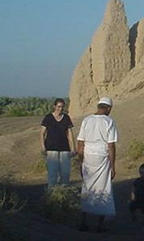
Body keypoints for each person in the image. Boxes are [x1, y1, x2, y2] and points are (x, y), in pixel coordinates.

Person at [77, 97, 118, 232]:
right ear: (108, 108)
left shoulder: (86, 120)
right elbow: (111, 145)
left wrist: (80, 161)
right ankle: (99, 225)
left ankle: (83, 222)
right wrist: (112, 166)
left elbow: (81, 143)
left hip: (88, 157)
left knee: (87, 187)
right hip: (102, 157)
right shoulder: (109, 121)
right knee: (103, 188)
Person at [40, 98, 75, 188]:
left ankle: (65, 193)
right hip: (51, 149)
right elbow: (42, 133)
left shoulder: (66, 118)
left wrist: (73, 148)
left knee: (65, 173)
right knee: (52, 173)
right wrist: (43, 147)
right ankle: (52, 194)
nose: (60, 109)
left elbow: (70, 134)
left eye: (62, 107)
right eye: (58, 106)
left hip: (64, 148)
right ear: (54, 106)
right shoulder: (48, 118)